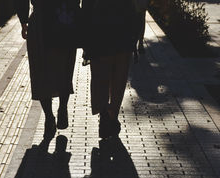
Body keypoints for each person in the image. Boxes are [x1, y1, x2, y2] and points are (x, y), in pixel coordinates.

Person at [16, 0, 80, 140]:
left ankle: (49, 116)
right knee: (64, 68)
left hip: (41, 23)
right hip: (64, 18)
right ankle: (62, 108)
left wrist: (23, 19)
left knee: (41, 70)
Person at [82, 0, 141, 139]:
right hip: (123, 35)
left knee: (100, 78)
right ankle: (112, 115)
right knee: (118, 79)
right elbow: (135, 9)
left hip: (99, 36)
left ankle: (103, 110)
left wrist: (86, 41)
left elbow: (86, 10)